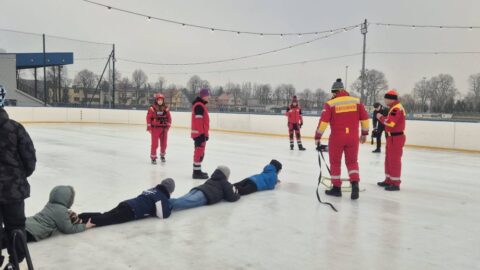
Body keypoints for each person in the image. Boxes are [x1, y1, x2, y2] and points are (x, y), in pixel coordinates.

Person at [314, 78, 369, 200]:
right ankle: (355, 185)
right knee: (352, 162)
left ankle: (336, 189)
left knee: (335, 163)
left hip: (337, 137)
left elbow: (323, 122)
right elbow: (365, 119)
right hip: (353, 137)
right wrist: (364, 133)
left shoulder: (330, 104)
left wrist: (318, 137)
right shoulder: (357, 101)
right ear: (343, 90)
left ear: (334, 92)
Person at [0, 89, 36, 270]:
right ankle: (14, 263)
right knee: (16, 227)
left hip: (13, 188)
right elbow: (29, 160)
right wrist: (17, 177)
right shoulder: (15, 128)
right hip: (13, 190)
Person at [78, 178, 175, 227]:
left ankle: (81, 216)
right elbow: (163, 214)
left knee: (105, 214)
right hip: (131, 212)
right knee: (107, 219)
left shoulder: (153, 190)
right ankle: (83, 221)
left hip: (127, 203)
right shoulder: (161, 196)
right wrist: (169, 206)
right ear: (169, 190)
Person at [20, 186, 95, 244]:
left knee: (12, 232)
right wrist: (85, 226)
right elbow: (68, 229)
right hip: (33, 231)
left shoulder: (50, 204)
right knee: (14, 239)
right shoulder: (61, 211)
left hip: (28, 222)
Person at [169, 166, 240, 211]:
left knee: (182, 199)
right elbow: (231, 197)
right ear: (226, 174)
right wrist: (237, 194)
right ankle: (165, 204)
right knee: (186, 202)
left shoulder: (212, 178)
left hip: (198, 189)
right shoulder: (224, 183)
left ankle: (165, 201)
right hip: (205, 196)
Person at [376, 90, 406, 191]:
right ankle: (388, 180)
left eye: (385, 98)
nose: (384, 100)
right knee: (388, 160)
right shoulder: (393, 107)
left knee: (394, 161)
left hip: (396, 138)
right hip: (391, 137)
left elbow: (390, 123)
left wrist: (380, 117)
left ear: (390, 99)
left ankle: (395, 183)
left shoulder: (396, 108)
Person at [147, 93, 172, 164]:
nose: (160, 101)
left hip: (164, 129)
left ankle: (162, 156)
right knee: (155, 144)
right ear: (156, 100)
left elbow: (169, 118)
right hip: (155, 129)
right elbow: (148, 118)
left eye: (161, 100)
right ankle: (153, 157)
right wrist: (149, 128)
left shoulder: (166, 109)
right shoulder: (152, 108)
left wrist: (168, 127)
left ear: (163, 100)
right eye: (159, 100)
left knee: (164, 144)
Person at [191, 88, 211, 179]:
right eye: (208, 95)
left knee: (200, 152)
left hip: (200, 133)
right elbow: (199, 122)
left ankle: (198, 171)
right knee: (199, 152)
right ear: (203, 96)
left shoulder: (201, 105)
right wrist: (202, 134)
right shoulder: (199, 106)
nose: (209, 97)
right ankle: (196, 173)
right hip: (199, 134)